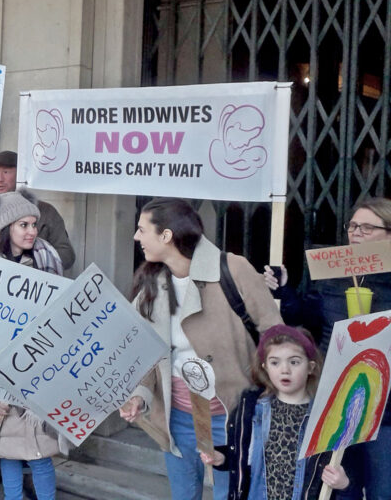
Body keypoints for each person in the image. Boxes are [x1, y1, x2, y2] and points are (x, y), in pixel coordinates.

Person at [119, 197, 282, 500]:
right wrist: (139, 396)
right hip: (178, 416)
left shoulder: (233, 269)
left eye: (142, 229)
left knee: (235, 494)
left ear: (166, 236)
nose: (136, 236)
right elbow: (147, 357)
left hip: (234, 413)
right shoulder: (151, 286)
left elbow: (275, 335)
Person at [264, 197, 391, 499]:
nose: (355, 233)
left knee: (382, 489)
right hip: (334, 398)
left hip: (385, 412)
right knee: (330, 486)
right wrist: (285, 290)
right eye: (352, 226)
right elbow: (308, 319)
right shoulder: (334, 275)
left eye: (367, 228)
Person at [0, 189, 67, 500]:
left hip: (39, 368)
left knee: (39, 449)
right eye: (23, 225)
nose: (31, 231)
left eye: (34, 224)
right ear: (7, 226)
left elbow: (61, 316)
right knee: (6, 445)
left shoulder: (47, 255)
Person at [200, 325, 349, 499]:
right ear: (265, 367)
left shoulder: (327, 417)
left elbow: (343, 466)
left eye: (294, 362)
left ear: (310, 367)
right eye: (275, 362)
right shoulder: (252, 408)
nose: (284, 369)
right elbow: (243, 455)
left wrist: (343, 482)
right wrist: (221, 458)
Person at [0, 151, 75, 270]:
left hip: (32, 283)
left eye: (6, 172)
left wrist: (34, 264)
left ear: (21, 174)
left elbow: (66, 254)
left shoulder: (46, 212)